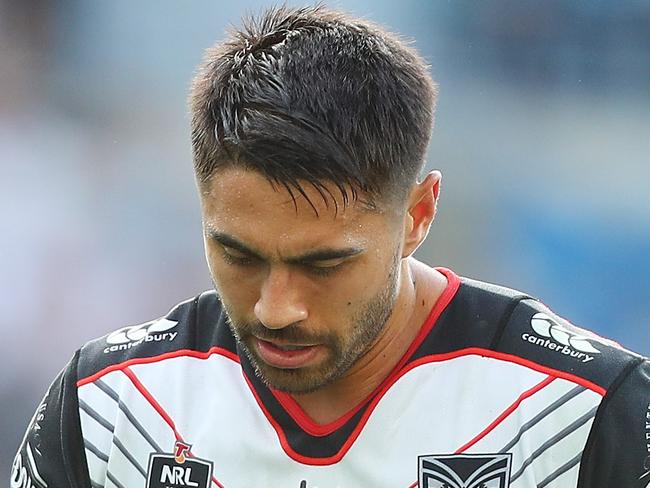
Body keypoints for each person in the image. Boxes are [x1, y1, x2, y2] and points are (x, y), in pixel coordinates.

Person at [11, 5, 650, 488]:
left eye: (324, 263)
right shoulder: (109, 411)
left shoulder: (587, 414)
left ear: (418, 214)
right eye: (240, 255)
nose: (275, 308)